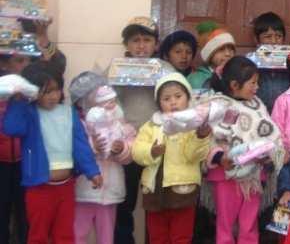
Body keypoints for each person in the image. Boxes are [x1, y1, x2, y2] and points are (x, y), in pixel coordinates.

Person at [3, 63, 103, 244]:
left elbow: (80, 145)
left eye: (56, 90)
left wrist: (92, 171)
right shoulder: (30, 113)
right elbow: (12, 128)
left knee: (64, 234)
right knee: (38, 235)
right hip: (39, 188)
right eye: (46, 92)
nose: (52, 96)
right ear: (33, 92)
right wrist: (18, 100)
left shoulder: (68, 112)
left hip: (66, 187)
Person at [0, 18, 65, 244]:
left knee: (26, 217)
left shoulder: (36, 90)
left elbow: (58, 65)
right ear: (5, 64)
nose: (25, 65)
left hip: (27, 162)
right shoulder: (4, 88)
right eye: (19, 61)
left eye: (29, 59)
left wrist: (42, 36)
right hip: (1, 162)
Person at [206, 56, 284, 244]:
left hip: (254, 175)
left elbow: (267, 132)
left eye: (257, 82)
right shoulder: (218, 105)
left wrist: (268, 154)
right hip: (226, 175)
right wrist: (220, 157)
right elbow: (210, 138)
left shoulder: (257, 105)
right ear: (234, 84)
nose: (257, 87)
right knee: (226, 221)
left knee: (249, 221)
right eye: (253, 83)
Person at [132, 73, 211, 244]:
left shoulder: (193, 125)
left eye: (178, 96)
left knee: (181, 237)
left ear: (188, 98)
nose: (173, 102)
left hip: (182, 191)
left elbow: (194, 156)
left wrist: (200, 137)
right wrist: (151, 151)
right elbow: (136, 151)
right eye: (166, 98)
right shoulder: (151, 125)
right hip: (154, 191)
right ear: (159, 103)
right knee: (157, 237)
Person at [69, 73, 136, 244]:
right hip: (83, 190)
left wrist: (121, 149)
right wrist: (92, 148)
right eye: (92, 98)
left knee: (107, 236)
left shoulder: (120, 124)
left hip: (111, 191)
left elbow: (130, 153)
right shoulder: (78, 125)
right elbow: (71, 150)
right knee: (78, 234)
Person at [114, 16, 161, 244]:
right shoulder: (115, 69)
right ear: (126, 45)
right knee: (124, 204)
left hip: (157, 148)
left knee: (157, 206)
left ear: (156, 44)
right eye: (135, 40)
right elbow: (106, 103)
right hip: (128, 149)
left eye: (147, 40)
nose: (141, 46)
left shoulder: (166, 69)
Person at [251, 12, 290, 112]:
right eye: (268, 37)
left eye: (279, 36)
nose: (274, 41)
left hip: (284, 115)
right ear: (257, 40)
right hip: (258, 114)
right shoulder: (250, 63)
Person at [187, 22, 236, 93]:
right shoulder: (196, 79)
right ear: (209, 55)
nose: (228, 54)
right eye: (221, 49)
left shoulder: (237, 74)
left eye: (231, 49)